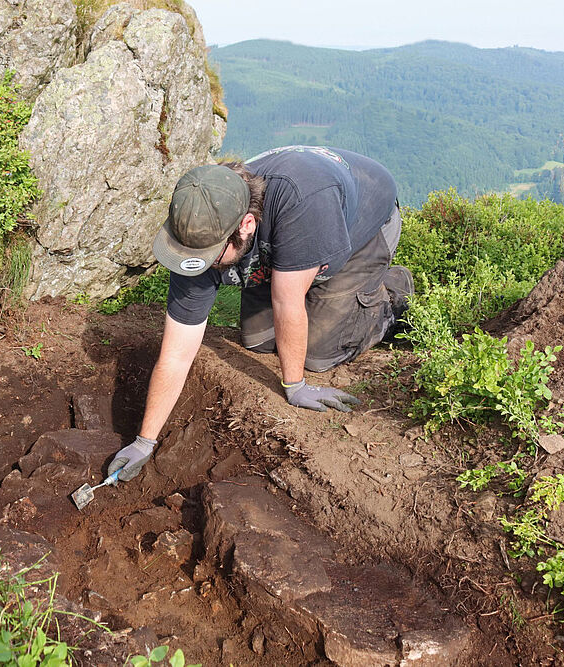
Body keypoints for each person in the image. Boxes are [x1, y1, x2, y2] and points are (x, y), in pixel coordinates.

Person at [109, 146, 413, 481]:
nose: (200, 265)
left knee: (316, 353)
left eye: (211, 255)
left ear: (246, 225)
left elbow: (287, 302)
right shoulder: (196, 233)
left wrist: (295, 386)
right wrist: (144, 441)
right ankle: (297, 267)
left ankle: (390, 294)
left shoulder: (302, 201)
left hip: (358, 229)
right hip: (287, 239)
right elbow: (176, 354)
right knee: (258, 341)